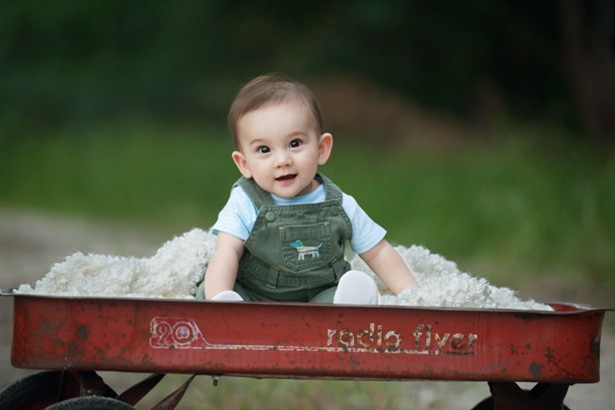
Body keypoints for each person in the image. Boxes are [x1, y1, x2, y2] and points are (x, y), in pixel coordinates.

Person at [201, 73, 418, 304]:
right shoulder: (245, 201)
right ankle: (228, 309)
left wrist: (413, 294)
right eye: (264, 150)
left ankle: (349, 306)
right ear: (244, 164)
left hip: (319, 296)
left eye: (295, 144)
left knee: (340, 296)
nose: (282, 160)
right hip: (255, 296)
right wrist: (219, 298)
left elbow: (378, 251)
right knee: (207, 288)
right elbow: (227, 252)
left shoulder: (339, 204)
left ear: (321, 148)